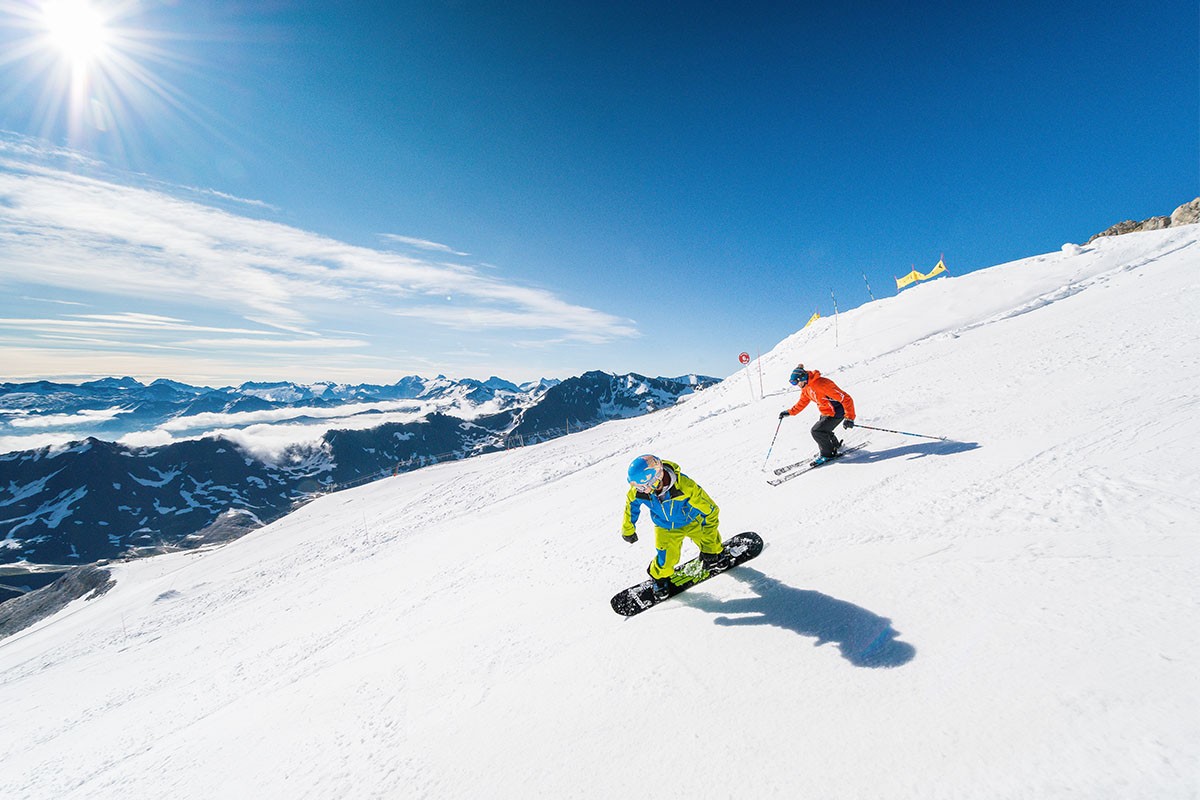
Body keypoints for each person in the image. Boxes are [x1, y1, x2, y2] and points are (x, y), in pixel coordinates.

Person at [621, 455, 727, 599]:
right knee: (666, 559)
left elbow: (711, 510)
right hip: (665, 527)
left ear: (655, 479)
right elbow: (630, 506)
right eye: (637, 486)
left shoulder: (685, 487)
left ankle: (715, 555)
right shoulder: (640, 492)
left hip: (692, 520)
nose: (640, 490)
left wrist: (709, 547)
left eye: (643, 486)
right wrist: (628, 529)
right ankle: (659, 579)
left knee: (710, 542)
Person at [778, 363, 857, 466]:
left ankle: (828, 454)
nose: (796, 385)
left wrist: (849, 418)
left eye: (796, 382)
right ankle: (835, 446)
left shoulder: (822, 384)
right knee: (824, 430)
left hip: (837, 412)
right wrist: (790, 412)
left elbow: (846, 399)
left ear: (803, 378)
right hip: (826, 412)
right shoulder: (806, 387)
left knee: (817, 431)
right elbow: (802, 402)